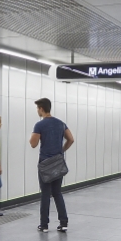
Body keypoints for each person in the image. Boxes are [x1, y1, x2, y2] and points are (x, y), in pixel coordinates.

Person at [30, 98, 74, 232]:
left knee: (45, 194)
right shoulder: (61, 124)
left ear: (42, 109)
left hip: (45, 163)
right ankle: (64, 222)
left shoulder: (40, 125)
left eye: (38, 108)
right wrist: (61, 151)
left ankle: (44, 225)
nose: (37, 110)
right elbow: (71, 139)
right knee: (57, 192)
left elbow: (33, 144)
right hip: (58, 162)